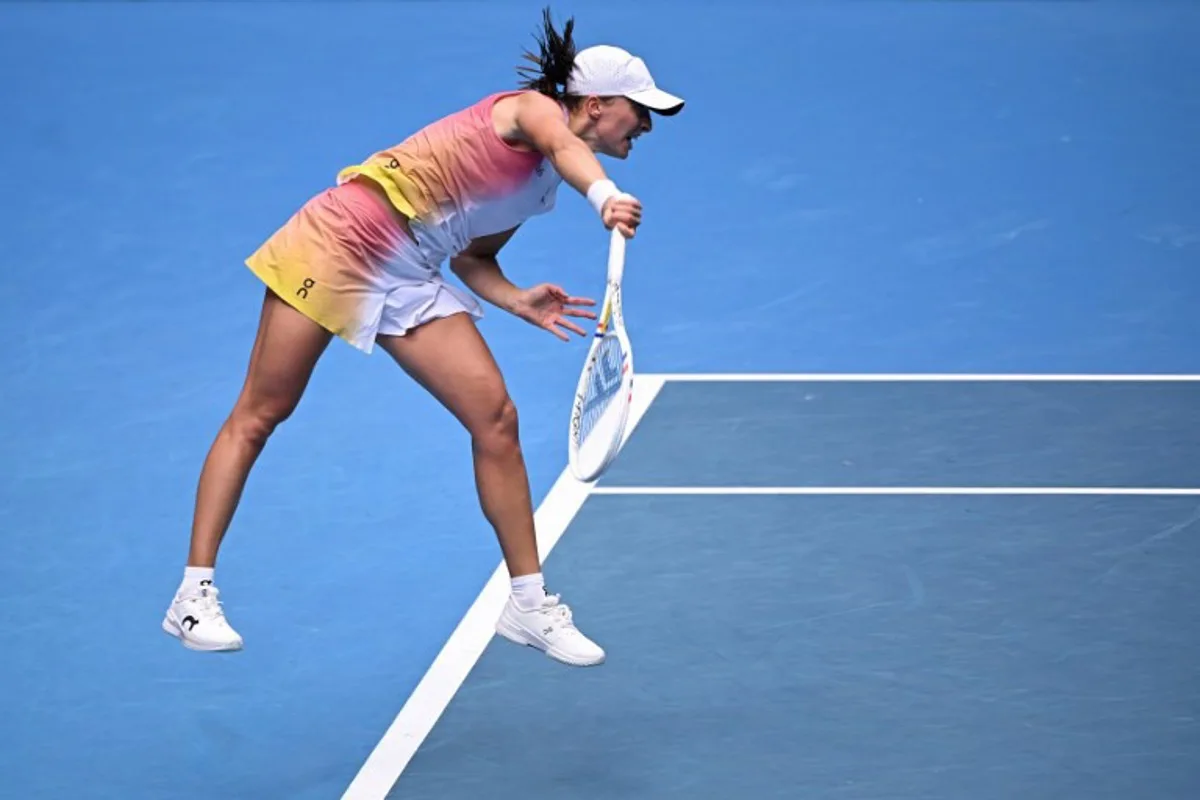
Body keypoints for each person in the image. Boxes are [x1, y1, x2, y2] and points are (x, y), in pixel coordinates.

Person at [160, 9, 684, 667]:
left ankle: (527, 602)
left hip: (410, 269)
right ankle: (191, 595)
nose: (647, 125)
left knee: (496, 418)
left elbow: (471, 259)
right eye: (640, 111)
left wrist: (516, 297)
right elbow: (565, 147)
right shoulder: (530, 113)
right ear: (597, 103)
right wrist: (604, 195)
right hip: (340, 240)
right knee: (262, 413)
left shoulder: (541, 188)